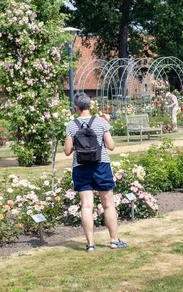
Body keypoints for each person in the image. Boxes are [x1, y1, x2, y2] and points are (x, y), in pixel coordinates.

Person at [63, 92, 128, 251]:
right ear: (90, 105)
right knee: (108, 204)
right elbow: (111, 146)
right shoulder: (101, 122)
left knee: (86, 206)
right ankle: (113, 240)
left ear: (76, 108)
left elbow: (67, 151)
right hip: (101, 166)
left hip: (80, 167)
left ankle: (90, 244)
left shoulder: (72, 125)